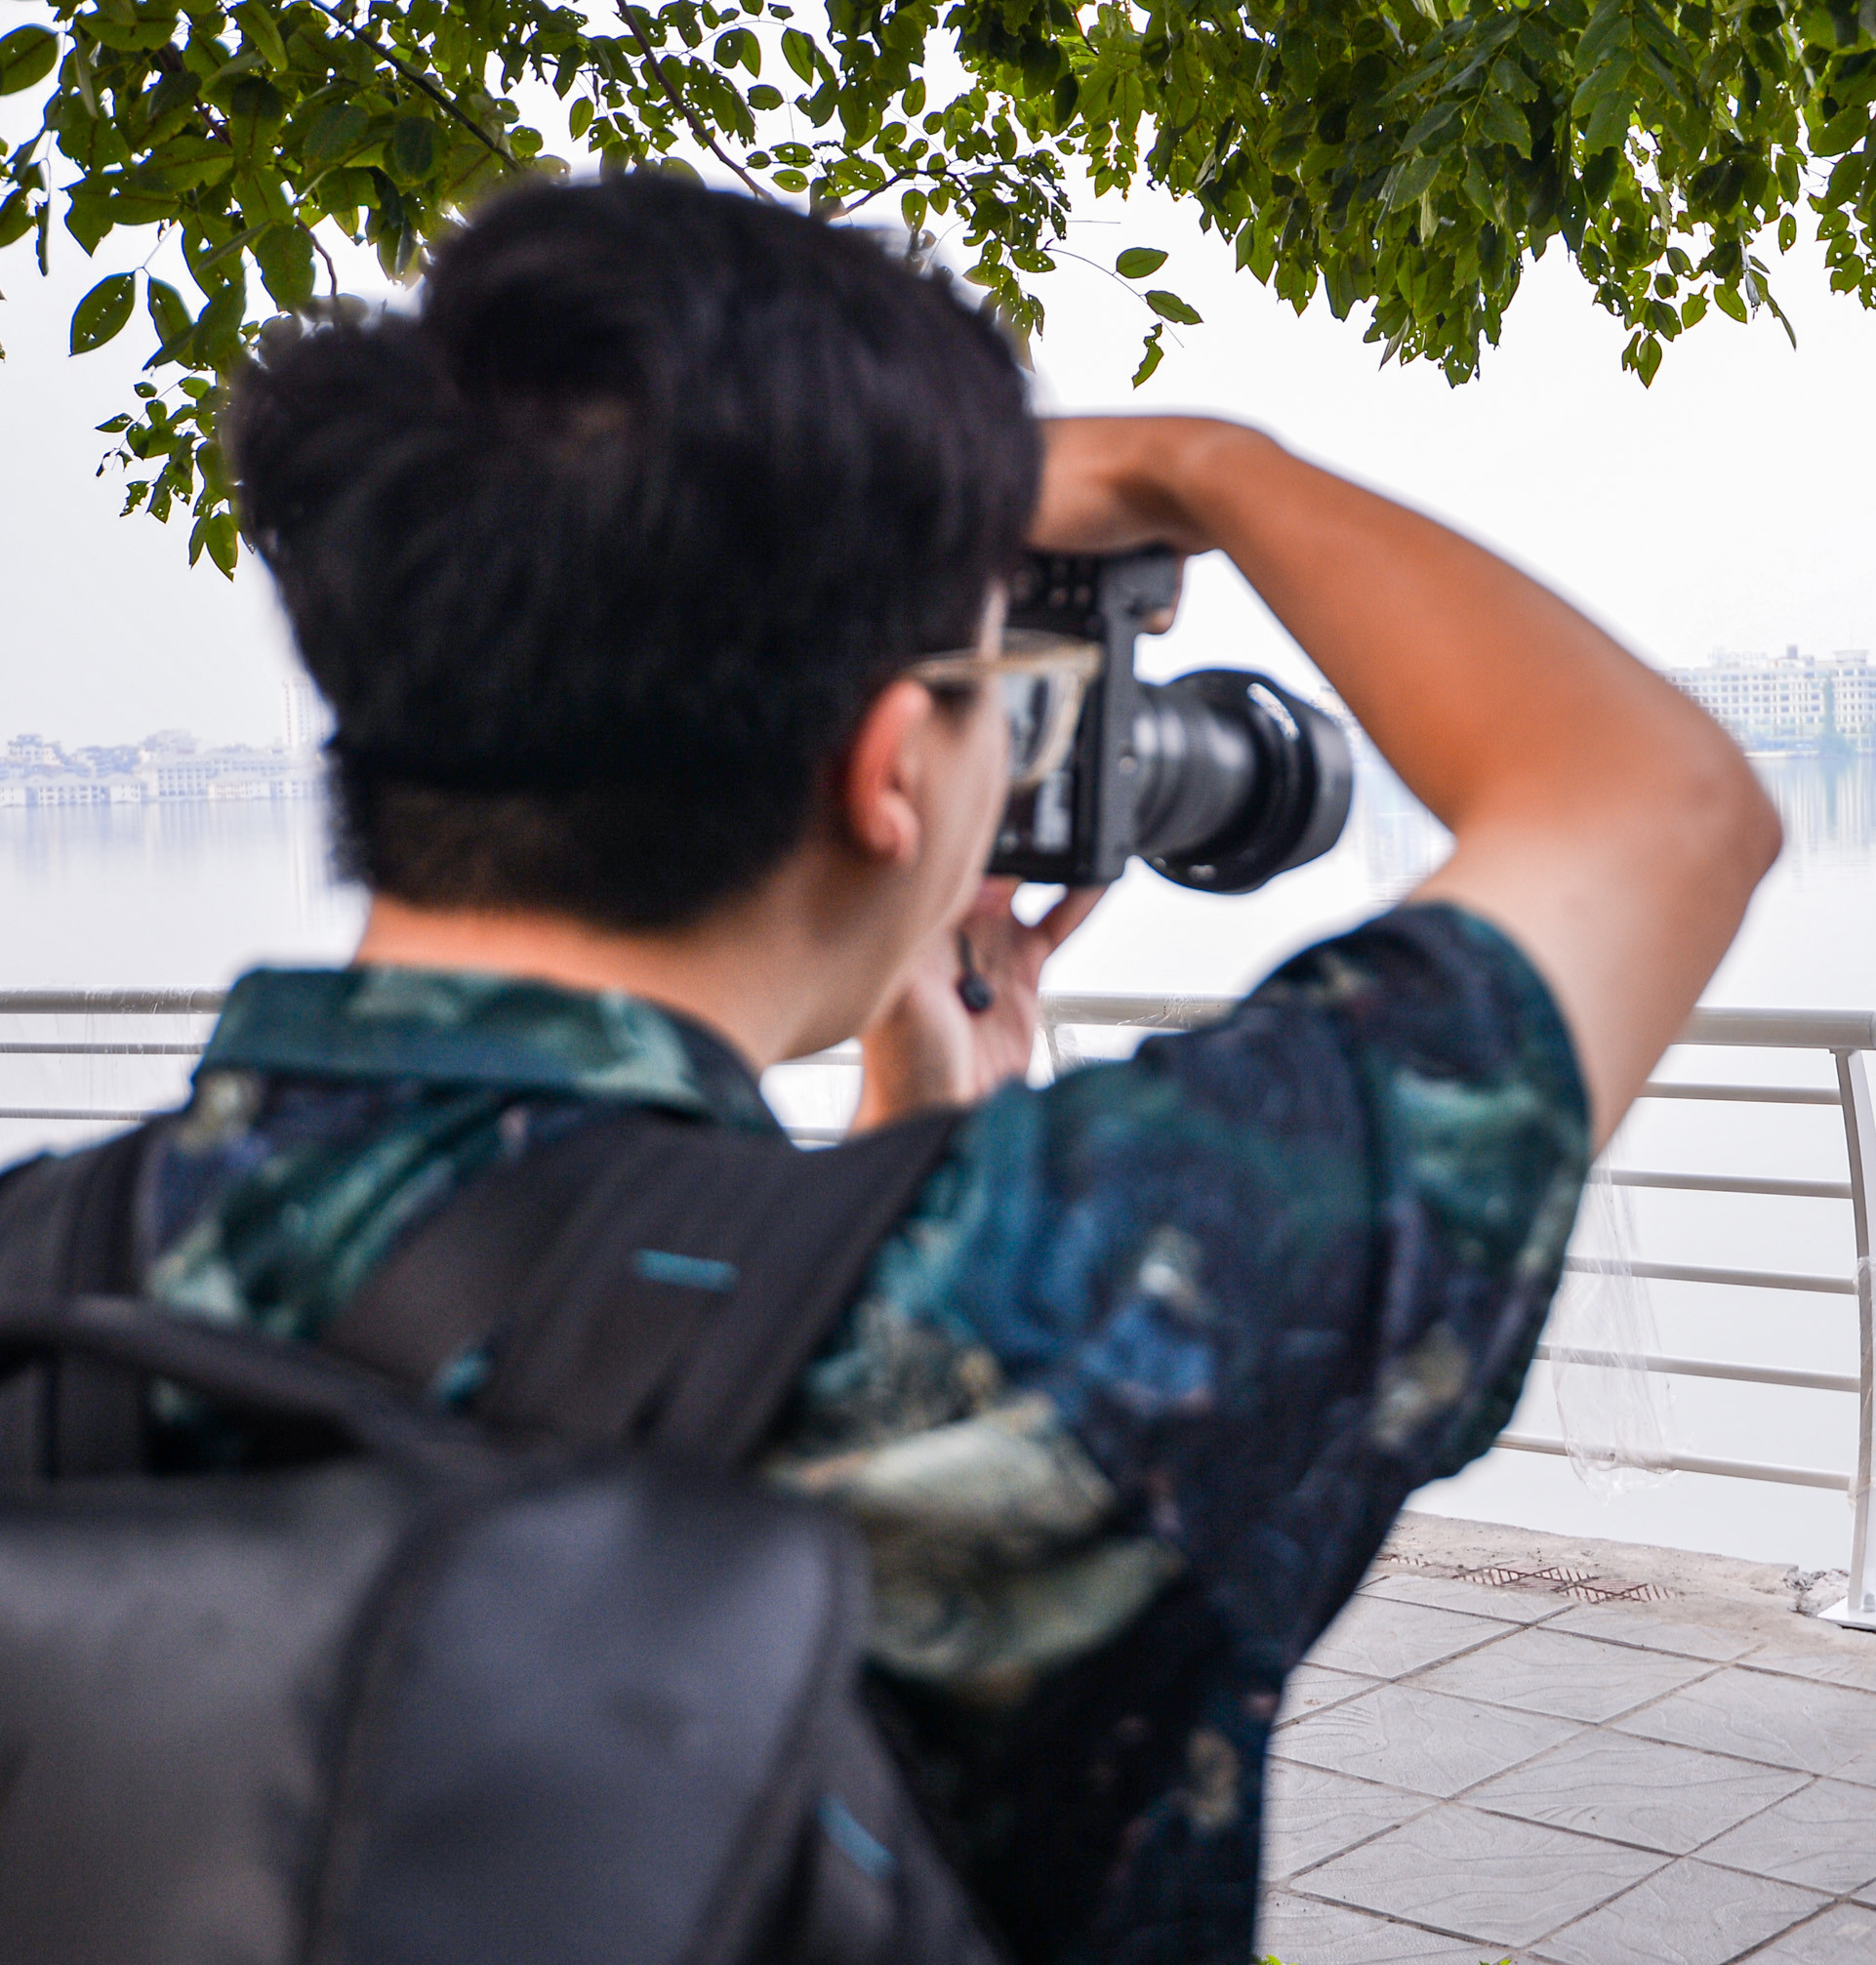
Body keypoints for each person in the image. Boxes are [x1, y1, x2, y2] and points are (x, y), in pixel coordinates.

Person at [4, 176, 1778, 1962]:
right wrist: (1198, 465)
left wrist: (913, 1135)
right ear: (886, 767)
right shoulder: (1056, 1296)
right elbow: (1658, 809)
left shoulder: (45, 1258)